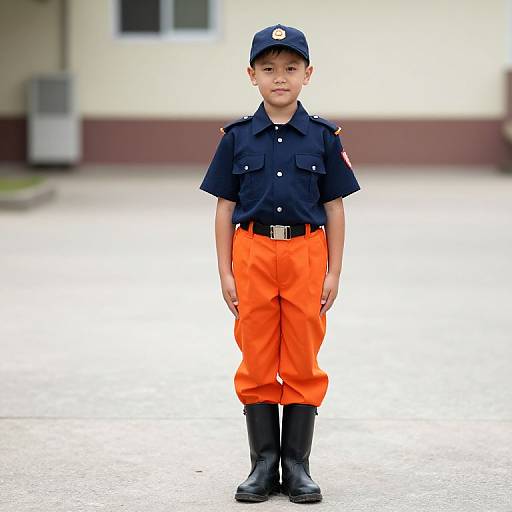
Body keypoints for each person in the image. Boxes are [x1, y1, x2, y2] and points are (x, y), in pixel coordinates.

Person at [199, 23, 361, 503]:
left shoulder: (323, 137)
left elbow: (335, 207)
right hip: (250, 252)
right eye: (268, 69)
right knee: (256, 354)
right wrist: (225, 270)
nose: (280, 78)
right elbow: (224, 207)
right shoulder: (236, 138)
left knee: (302, 356)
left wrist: (334, 270)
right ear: (251, 75)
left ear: (308, 74)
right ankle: (263, 464)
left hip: (306, 253)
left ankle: (297, 466)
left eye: (290, 68)